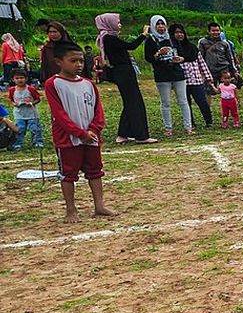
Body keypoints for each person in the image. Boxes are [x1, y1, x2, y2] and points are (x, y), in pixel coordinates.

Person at [45, 42, 117, 222]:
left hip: (91, 137)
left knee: (95, 171)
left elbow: (97, 110)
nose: (78, 64)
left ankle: (99, 205)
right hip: (67, 139)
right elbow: (59, 114)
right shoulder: (53, 84)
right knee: (68, 174)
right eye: (73, 60)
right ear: (59, 61)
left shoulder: (88, 84)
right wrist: (79, 133)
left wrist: (93, 129)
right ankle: (71, 209)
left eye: (81, 61)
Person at [95, 13, 157, 144]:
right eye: (117, 22)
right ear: (109, 23)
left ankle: (123, 134)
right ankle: (141, 136)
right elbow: (131, 46)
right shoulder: (109, 38)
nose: (120, 25)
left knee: (130, 103)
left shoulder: (109, 38)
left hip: (123, 72)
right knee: (135, 103)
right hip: (123, 73)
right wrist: (143, 35)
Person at [144, 15, 192, 136]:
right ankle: (168, 128)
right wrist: (158, 54)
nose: (161, 27)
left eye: (162, 24)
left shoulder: (171, 38)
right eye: (158, 24)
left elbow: (182, 53)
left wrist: (180, 58)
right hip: (162, 75)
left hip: (177, 73)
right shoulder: (151, 40)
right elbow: (148, 58)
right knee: (166, 102)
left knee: (183, 101)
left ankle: (188, 126)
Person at [176, 25, 215, 128]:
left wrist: (208, 77)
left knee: (202, 101)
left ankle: (209, 121)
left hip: (196, 79)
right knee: (186, 103)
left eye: (181, 32)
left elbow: (201, 62)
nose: (179, 35)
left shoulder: (192, 47)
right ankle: (191, 123)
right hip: (181, 81)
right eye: (176, 33)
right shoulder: (172, 49)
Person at [7, 70, 42, 149]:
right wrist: (15, 104)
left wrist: (32, 103)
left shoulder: (30, 89)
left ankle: (37, 142)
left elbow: (38, 99)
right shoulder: (12, 90)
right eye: (17, 78)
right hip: (19, 114)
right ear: (13, 79)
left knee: (35, 129)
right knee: (19, 129)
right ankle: (18, 143)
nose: (20, 80)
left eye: (22, 78)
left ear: (26, 79)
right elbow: (10, 99)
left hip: (32, 114)